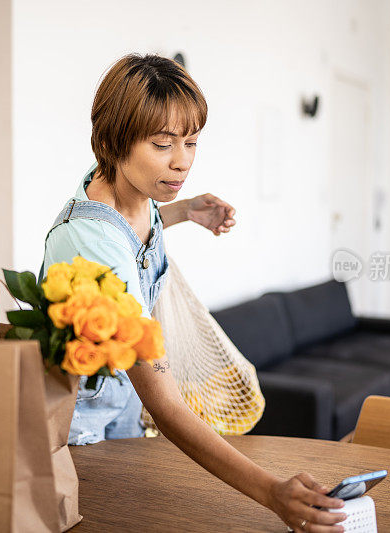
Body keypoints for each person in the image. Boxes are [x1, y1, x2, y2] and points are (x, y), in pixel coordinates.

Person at [39, 53, 347, 532]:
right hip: (81, 444)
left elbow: (131, 228)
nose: (182, 161)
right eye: (163, 144)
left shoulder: (125, 190)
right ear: (113, 141)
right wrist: (271, 493)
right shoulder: (89, 243)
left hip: (120, 429)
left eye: (191, 142)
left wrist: (183, 211)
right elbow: (164, 403)